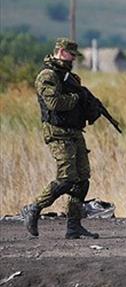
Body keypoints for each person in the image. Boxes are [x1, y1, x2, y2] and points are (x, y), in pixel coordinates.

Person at [21, 38, 99, 239]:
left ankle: (74, 226)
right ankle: (34, 208)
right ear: (62, 52)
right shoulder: (47, 76)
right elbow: (54, 103)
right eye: (71, 55)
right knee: (66, 178)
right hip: (57, 133)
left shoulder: (70, 77)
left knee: (82, 180)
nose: (73, 59)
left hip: (75, 132)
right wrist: (76, 98)